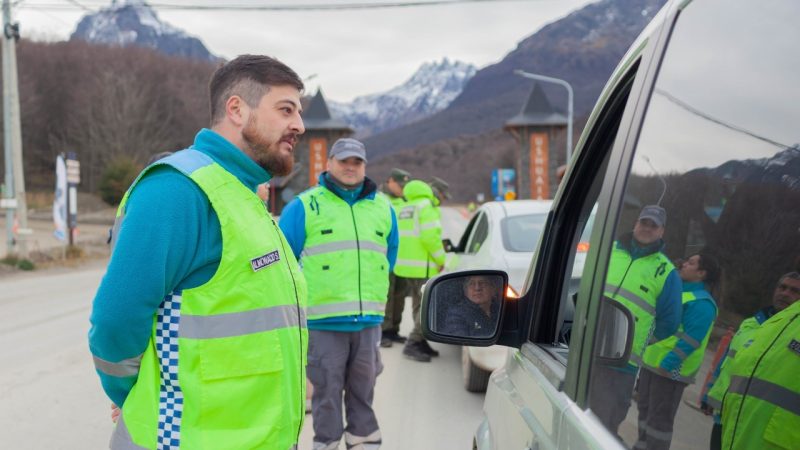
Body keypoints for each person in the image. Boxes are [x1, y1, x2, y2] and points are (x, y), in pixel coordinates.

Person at [89, 55, 308, 449]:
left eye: (299, 112)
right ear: (237, 110)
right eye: (285, 109)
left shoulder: (243, 194)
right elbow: (114, 323)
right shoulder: (177, 190)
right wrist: (136, 394)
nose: (299, 125)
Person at [279, 137, 398, 450]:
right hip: (323, 324)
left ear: (364, 166)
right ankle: (327, 443)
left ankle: (364, 442)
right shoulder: (304, 206)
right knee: (327, 395)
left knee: (364, 392)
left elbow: (389, 255)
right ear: (329, 163)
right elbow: (284, 264)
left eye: (357, 161)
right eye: (344, 160)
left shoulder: (384, 208)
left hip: (368, 323)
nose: (350, 167)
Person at [589, 205, 682, 436]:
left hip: (621, 364)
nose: (647, 228)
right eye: (644, 222)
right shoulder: (608, 250)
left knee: (602, 428)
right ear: (636, 223)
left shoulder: (666, 272)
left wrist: (636, 341)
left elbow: (670, 322)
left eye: (654, 225)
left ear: (662, 231)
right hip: (585, 351)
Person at [703, 272, 800, 449]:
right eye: (782, 287)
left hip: (761, 425)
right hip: (725, 412)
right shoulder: (751, 323)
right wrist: (710, 393)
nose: (785, 293)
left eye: (794, 291)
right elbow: (727, 360)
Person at [635, 252, 721, 450]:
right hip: (652, 365)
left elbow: (691, 340)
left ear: (701, 273)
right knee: (644, 411)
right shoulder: (678, 293)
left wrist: (667, 364)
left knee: (659, 422)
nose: (684, 264)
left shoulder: (703, 303)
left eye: (691, 263)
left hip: (670, 372)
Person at [396, 179, 448, 362]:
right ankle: (413, 343)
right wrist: (441, 259)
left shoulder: (404, 207)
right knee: (428, 306)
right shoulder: (426, 206)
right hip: (423, 267)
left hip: (406, 266)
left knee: (419, 305)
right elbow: (430, 238)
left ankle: (421, 341)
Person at [381, 167, 412, 348]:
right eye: (400, 185)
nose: (402, 189)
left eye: (405, 186)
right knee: (387, 295)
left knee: (400, 295)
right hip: (385, 256)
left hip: (403, 257)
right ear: (390, 181)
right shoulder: (380, 200)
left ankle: (394, 329)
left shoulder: (407, 201)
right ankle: (383, 331)